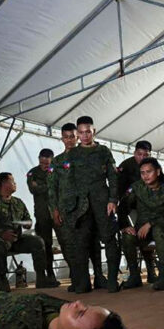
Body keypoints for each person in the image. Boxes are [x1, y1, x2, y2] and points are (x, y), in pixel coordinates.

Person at [48, 123, 106, 292]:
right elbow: (52, 188)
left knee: (93, 242)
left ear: (77, 137)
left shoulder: (86, 156)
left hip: (86, 207)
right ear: (62, 138)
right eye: (66, 137)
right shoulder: (57, 161)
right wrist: (54, 210)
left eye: (72, 136)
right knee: (70, 246)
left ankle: (99, 276)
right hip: (66, 210)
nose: (69, 140)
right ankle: (78, 279)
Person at [65, 116, 120, 293]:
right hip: (81, 205)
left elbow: (113, 176)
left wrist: (113, 200)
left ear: (93, 131)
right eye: (81, 132)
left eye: (88, 132)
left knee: (109, 239)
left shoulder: (103, 151)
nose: (85, 135)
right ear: (77, 134)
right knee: (81, 243)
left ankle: (112, 280)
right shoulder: (73, 154)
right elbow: (68, 182)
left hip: (102, 202)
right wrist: (70, 207)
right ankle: (83, 283)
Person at [0, 173, 57, 292]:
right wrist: (2, 234)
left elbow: (28, 218)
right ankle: (2, 279)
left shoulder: (18, 202)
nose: (15, 183)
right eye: (12, 181)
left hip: (17, 239)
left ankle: (41, 278)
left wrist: (27, 223)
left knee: (37, 241)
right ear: (4, 183)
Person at [118, 158, 164, 290]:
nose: (145, 176)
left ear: (158, 172)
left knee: (159, 231)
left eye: (149, 172)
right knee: (127, 236)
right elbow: (122, 207)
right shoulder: (137, 187)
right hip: (142, 231)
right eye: (142, 173)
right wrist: (125, 226)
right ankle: (134, 276)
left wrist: (151, 223)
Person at [116, 141, 158, 283]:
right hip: (131, 208)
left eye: (146, 155)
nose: (142, 157)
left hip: (152, 209)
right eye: (139, 154)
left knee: (148, 236)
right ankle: (135, 274)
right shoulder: (126, 166)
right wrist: (124, 224)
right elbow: (120, 198)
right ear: (134, 153)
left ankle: (152, 272)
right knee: (132, 236)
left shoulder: (154, 166)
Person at [27, 148, 60, 285]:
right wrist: (50, 186)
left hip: (58, 212)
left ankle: (75, 273)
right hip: (42, 215)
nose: (44, 166)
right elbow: (33, 189)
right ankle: (49, 274)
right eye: (41, 163)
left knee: (65, 241)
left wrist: (42, 186)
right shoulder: (32, 173)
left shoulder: (58, 170)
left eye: (47, 163)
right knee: (45, 245)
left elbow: (62, 188)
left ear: (52, 160)